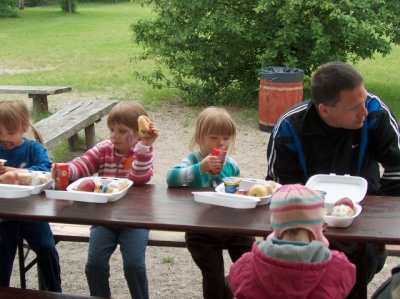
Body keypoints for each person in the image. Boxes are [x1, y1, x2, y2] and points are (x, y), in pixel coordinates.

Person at [266, 61, 400, 296]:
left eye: (364, 100)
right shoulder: (290, 128)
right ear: (325, 109)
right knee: (297, 265)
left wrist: (378, 213)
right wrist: (314, 220)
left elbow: (398, 168)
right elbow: (282, 189)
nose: (364, 111)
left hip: (364, 216)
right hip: (307, 220)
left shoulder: (375, 114)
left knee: (364, 260)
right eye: (354, 107)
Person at [51, 101, 158, 299]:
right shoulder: (104, 149)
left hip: (134, 219)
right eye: (111, 130)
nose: (114, 136)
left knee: (134, 265)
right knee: (94, 265)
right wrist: (66, 170)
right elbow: (83, 165)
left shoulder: (141, 153)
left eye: (121, 131)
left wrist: (145, 146)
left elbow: (139, 177)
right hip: (104, 218)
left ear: (137, 133)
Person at [166, 106, 255, 299]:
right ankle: (219, 288)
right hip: (201, 229)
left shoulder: (231, 164)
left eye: (226, 138)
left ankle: (230, 285)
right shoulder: (193, 159)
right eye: (213, 138)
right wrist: (201, 167)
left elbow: (239, 193)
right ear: (200, 137)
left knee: (250, 269)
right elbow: (171, 178)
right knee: (212, 279)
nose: (221, 143)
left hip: (232, 227)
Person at [229, 184, 356, 299]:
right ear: (318, 225)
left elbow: (235, 282)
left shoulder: (245, 266)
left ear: (275, 225)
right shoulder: (339, 266)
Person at [0, 100, 62, 292]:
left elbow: (46, 170)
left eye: (10, 133)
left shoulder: (33, 149)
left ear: (24, 127)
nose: (4, 138)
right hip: (4, 217)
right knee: (2, 255)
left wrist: (13, 172)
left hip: (32, 213)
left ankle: (54, 290)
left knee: (46, 247)